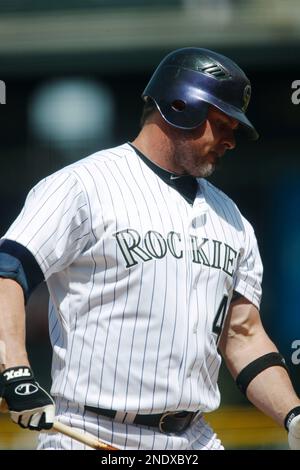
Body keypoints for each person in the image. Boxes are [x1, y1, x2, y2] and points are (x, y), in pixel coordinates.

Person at [0, 47, 300, 451]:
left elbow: (244, 335)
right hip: (91, 432)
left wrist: (293, 414)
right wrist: (16, 370)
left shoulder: (232, 220)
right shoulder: (83, 185)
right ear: (180, 106)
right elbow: (9, 269)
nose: (231, 140)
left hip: (194, 439)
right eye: (221, 123)